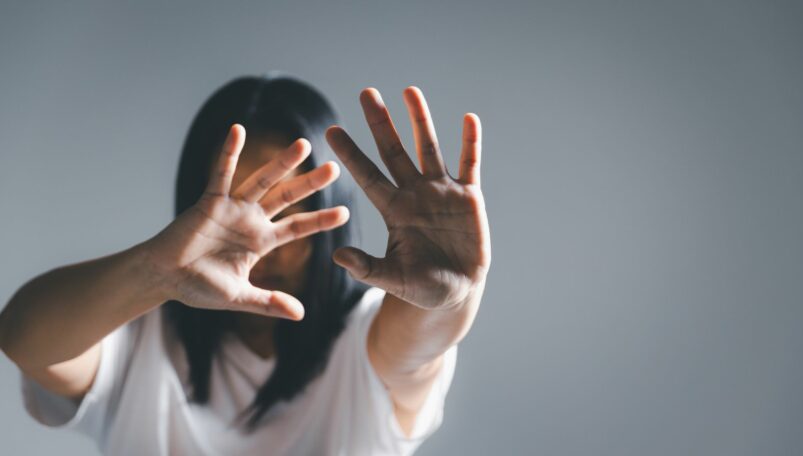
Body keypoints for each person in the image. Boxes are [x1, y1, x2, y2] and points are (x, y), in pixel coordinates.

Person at [0, 74, 491, 455]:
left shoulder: (364, 338)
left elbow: (419, 344)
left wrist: (453, 296)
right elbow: (23, 338)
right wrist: (154, 270)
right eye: (238, 219)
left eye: (293, 215)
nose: (265, 249)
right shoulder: (136, 338)